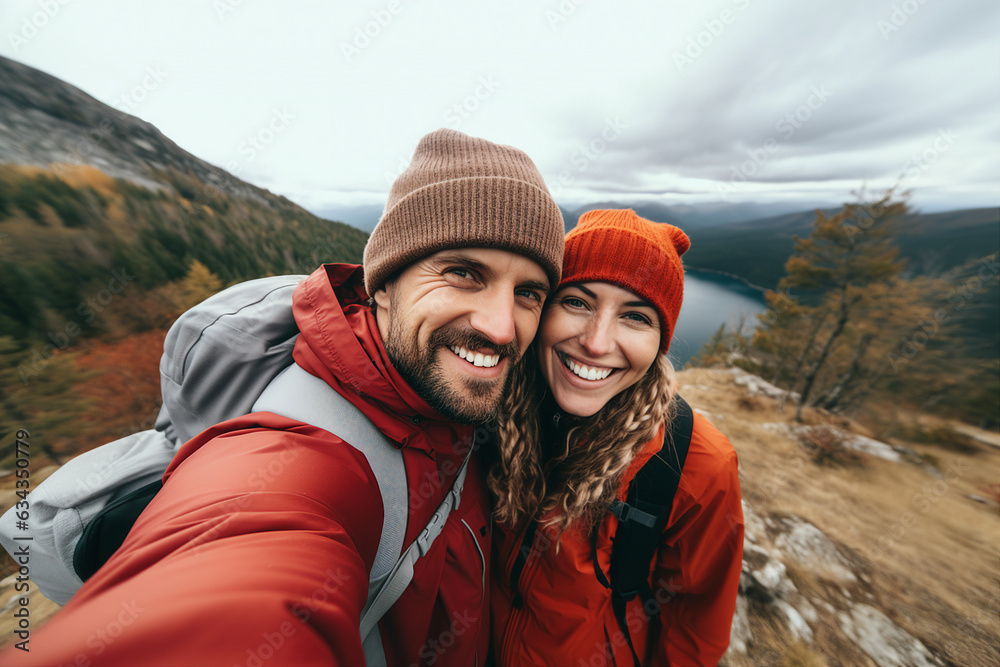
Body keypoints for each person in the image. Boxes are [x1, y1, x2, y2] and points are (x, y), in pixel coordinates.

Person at [2, 128, 565, 666]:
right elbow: (240, 562)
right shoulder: (298, 452)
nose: (500, 327)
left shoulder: (449, 401)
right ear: (384, 285)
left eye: (528, 293)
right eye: (463, 273)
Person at [488, 209, 744, 666]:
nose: (597, 343)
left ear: (660, 340)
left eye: (636, 317)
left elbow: (696, 629)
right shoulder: (491, 400)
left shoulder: (696, 464)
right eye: (577, 302)